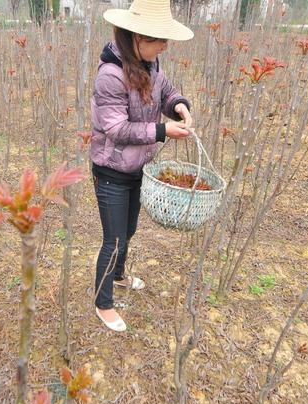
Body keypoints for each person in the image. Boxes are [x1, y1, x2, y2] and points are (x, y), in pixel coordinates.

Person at [90, 0, 194, 331]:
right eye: (158, 39)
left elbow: (165, 92)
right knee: (114, 239)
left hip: (138, 167)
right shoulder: (110, 75)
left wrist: (178, 106)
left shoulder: (151, 64)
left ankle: (118, 276)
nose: (164, 46)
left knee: (129, 230)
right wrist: (163, 131)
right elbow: (116, 129)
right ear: (136, 36)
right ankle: (102, 302)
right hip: (111, 170)